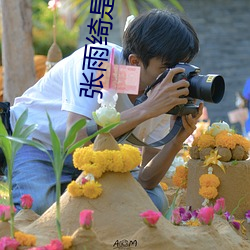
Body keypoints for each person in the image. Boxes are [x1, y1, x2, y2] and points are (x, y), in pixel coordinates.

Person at [6, 9, 202, 215]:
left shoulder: (165, 89)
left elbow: (146, 180)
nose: (175, 76)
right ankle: (65, 197)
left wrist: (176, 140)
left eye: (182, 66)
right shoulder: (97, 60)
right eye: (167, 68)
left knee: (152, 202)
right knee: (39, 208)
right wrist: (147, 108)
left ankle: (70, 199)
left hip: (96, 157)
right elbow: (76, 140)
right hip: (37, 144)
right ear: (135, 62)